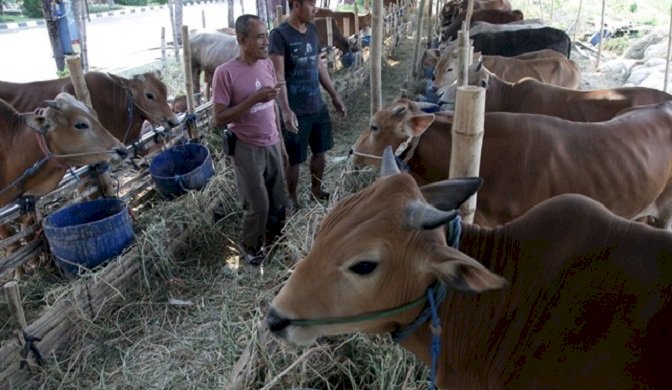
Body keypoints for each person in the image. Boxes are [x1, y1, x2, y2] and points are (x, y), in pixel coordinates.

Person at [212, 14, 288, 266]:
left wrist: (281, 143)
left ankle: (275, 243)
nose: (266, 41)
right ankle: (249, 248)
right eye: (259, 37)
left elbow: (272, 107)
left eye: (266, 35)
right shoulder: (225, 73)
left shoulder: (266, 65)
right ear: (242, 40)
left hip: (272, 142)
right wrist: (254, 99)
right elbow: (220, 118)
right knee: (259, 206)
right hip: (246, 146)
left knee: (278, 202)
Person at [269, 0, 347, 212]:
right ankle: (292, 198)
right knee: (294, 160)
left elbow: (318, 64)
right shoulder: (279, 35)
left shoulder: (312, 29)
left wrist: (334, 95)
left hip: (317, 105)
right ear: (296, 5)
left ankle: (316, 189)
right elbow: (278, 76)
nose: (315, 9)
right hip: (295, 111)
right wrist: (285, 110)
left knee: (320, 152)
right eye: (311, 4)